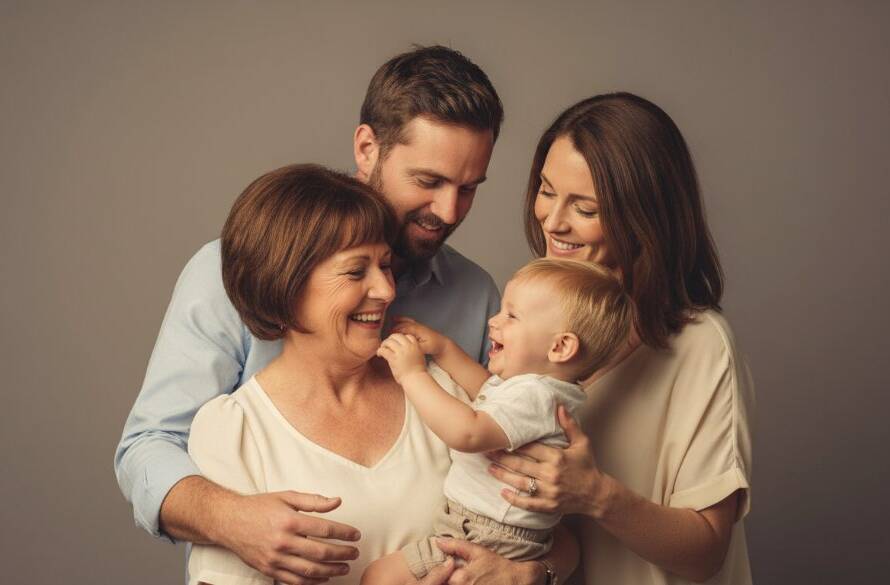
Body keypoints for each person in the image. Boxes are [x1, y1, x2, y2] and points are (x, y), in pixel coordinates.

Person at [114, 46, 511, 583]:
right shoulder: (227, 271)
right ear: (368, 148)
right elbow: (150, 447)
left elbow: (512, 467)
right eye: (428, 181)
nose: (448, 211)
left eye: (468, 189)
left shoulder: (475, 296)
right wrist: (235, 521)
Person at [186, 164, 576, 585]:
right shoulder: (234, 431)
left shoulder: (441, 393)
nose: (387, 291)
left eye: (386, 266)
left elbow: (554, 535)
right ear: (287, 285)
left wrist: (529, 574)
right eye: (357, 271)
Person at [483, 93, 755, 585]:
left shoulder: (700, 346)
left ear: (643, 217)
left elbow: (706, 552)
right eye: (546, 191)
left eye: (584, 207)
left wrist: (596, 495)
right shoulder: (530, 322)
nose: (553, 220)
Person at [363, 258, 634, 585]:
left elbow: (467, 431)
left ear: (559, 347)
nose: (494, 321)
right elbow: (483, 392)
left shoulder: (536, 395)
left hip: (487, 535)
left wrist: (412, 373)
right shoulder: (528, 389)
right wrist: (443, 347)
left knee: (381, 578)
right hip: (489, 530)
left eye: (511, 316)